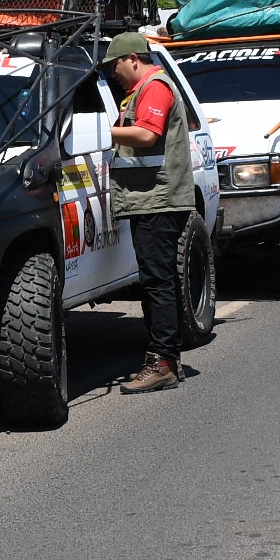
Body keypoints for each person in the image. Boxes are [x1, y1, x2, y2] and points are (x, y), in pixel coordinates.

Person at [104, 31, 197, 394]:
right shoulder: (139, 91)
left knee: (158, 281)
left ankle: (163, 363)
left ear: (132, 59)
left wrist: (103, 132)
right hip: (152, 199)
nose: (113, 73)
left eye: (115, 65)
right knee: (159, 279)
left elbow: (145, 135)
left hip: (159, 199)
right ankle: (166, 359)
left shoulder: (155, 86)